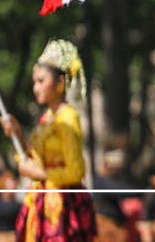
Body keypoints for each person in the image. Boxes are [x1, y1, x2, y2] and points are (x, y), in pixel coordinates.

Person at [1, 38, 97, 241]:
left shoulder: (67, 117)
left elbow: (76, 171)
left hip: (63, 208)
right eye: (34, 81)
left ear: (60, 83)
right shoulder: (46, 118)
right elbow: (36, 156)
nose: (36, 88)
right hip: (41, 204)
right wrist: (18, 134)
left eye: (41, 81)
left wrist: (38, 173)